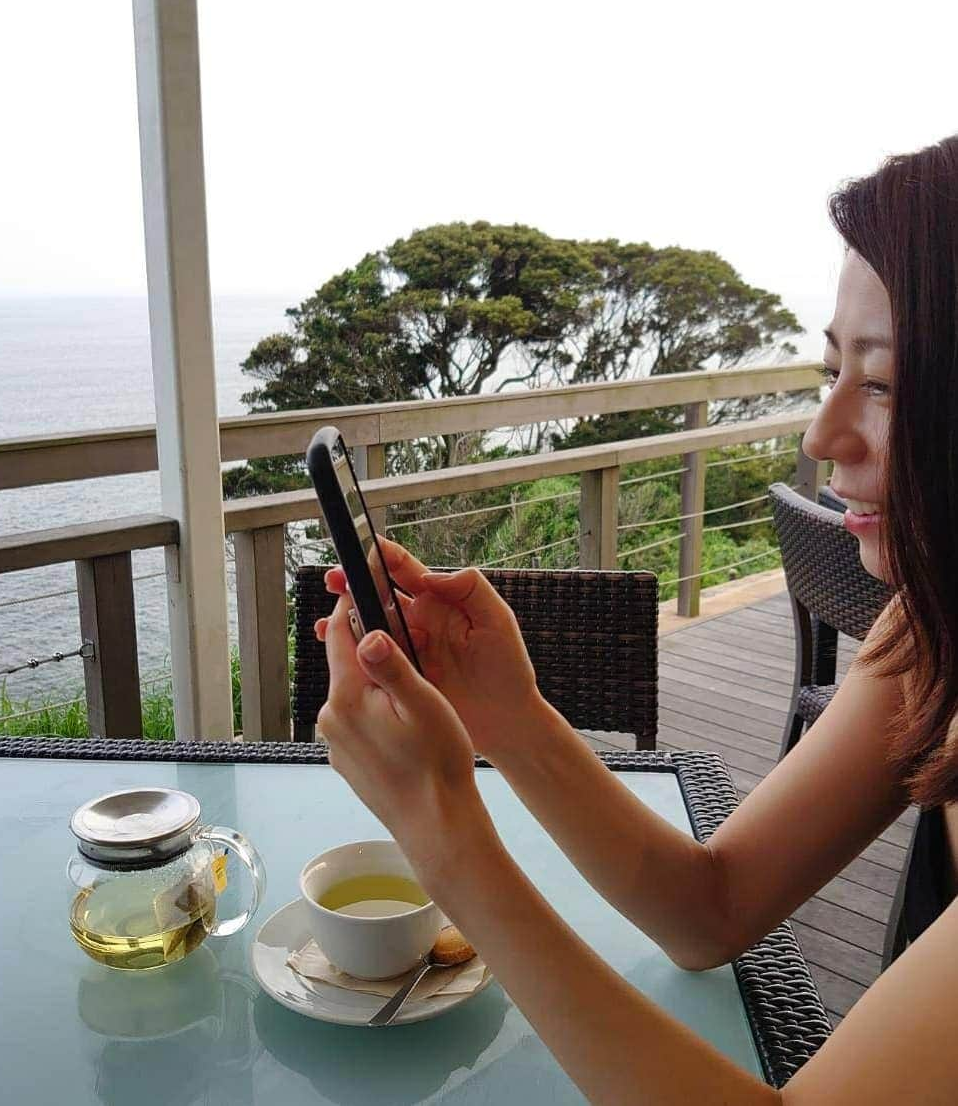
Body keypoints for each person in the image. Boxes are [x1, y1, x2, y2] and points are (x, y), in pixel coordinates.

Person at [314, 135, 958, 1104]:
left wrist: (442, 838)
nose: (821, 435)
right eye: (831, 370)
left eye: (883, 383)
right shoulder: (928, 638)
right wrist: (511, 713)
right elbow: (711, 904)